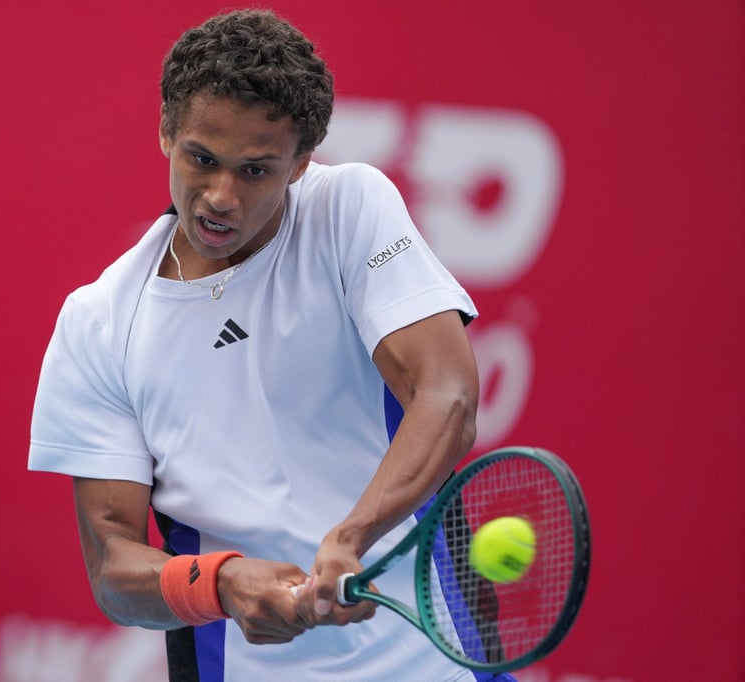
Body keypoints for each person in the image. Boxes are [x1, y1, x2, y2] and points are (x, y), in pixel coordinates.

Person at [30, 9, 507, 680]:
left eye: (256, 171)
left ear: (301, 162)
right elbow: (114, 569)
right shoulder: (99, 321)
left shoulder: (348, 208)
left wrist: (349, 538)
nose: (220, 197)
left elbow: (447, 394)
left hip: (436, 665)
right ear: (166, 130)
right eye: (202, 159)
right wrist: (219, 583)